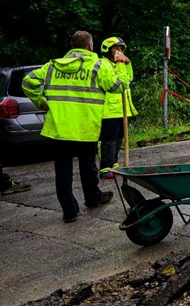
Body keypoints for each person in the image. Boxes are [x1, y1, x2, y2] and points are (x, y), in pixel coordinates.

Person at [22, 30, 124, 222]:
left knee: (63, 168)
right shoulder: (98, 66)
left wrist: (41, 102)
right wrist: (120, 64)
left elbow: (28, 82)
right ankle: (92, 198)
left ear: (72, 47)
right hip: (85, 125)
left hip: (59, 128)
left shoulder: (53, 66)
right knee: (88, 163)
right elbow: (119, 86)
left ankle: (69, 211)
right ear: (90, 46)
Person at [98, 37, 137, 179]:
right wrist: (120, 63)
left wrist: (127, 63)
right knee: (108, 139)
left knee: (119, 137)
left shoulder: (118, 63)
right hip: (109, 110)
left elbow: (128, 79)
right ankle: (105, 168)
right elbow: (116, 83)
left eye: (121, 48)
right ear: (107, 50)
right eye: (116, 48)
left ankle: (114, 164)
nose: (119, 51)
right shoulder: (103, 64)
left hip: (121, 108)